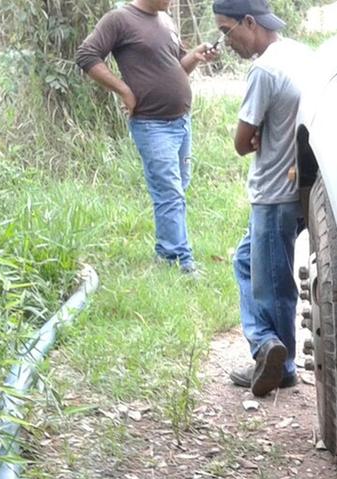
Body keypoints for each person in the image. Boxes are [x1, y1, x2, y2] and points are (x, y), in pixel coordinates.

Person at [213, 0, 313, 396]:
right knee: (248, 260)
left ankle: (276, 356)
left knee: (273, 281)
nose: (227, 41)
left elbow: (241, 141)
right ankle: (268, 345)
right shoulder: (301, 54)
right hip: (301, 181)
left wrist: (253, 134)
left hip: (273, 190)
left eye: (226, 31)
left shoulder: (264, 69)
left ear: (249, 22)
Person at [75, 0, 218, 275]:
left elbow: (176, 67)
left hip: (181, 121)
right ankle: (181, 261)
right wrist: (123, 90)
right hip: (152, 124)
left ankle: (166, 253)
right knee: (170, 192)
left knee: (176, 188)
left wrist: (196, 56)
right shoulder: (119, 19)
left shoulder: (165, 20)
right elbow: (86, 55)